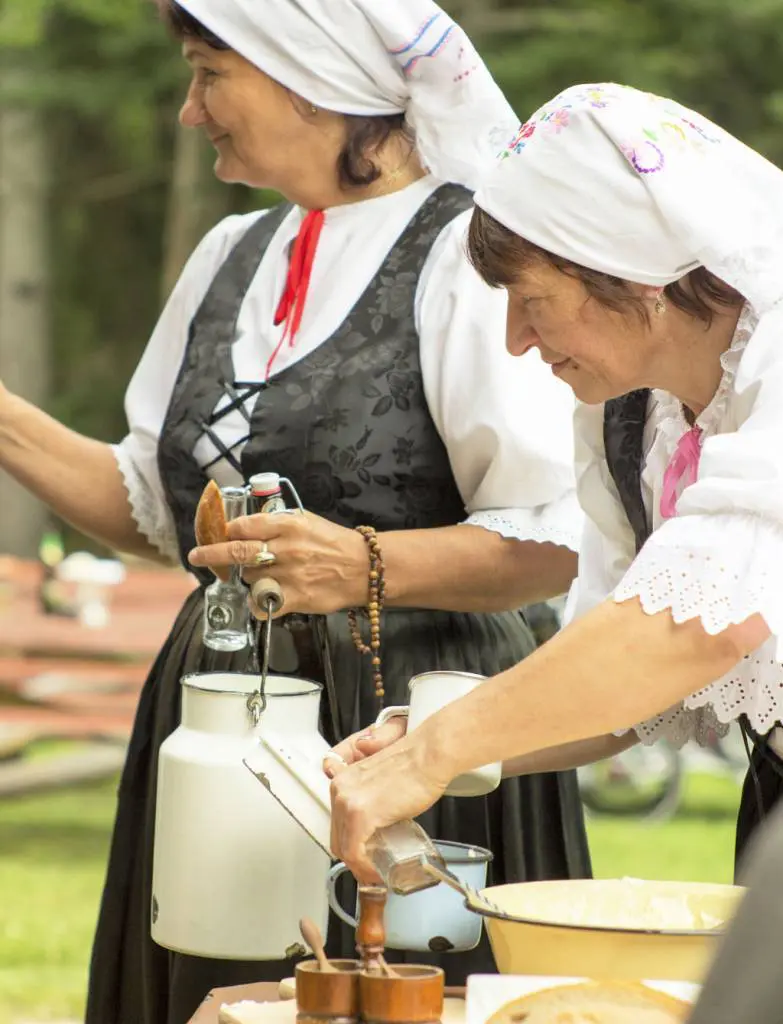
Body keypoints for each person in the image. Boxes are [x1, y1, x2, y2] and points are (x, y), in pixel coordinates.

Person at [0, 2, 594, 1021]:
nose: (190, 112)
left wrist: (366, 565)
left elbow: (552, 537)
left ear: (306, 74)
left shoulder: (463, 256)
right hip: (218, 710)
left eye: (208, 73)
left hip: (409, 718)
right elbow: (156, 509)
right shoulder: (231, 252)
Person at [326, 81, 783, 888]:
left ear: (633, 273)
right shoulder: (631, 422)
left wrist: (443, 747)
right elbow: (626, 677)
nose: (514, 339)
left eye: (532, 301)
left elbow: (703, 623)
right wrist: (432, 732)